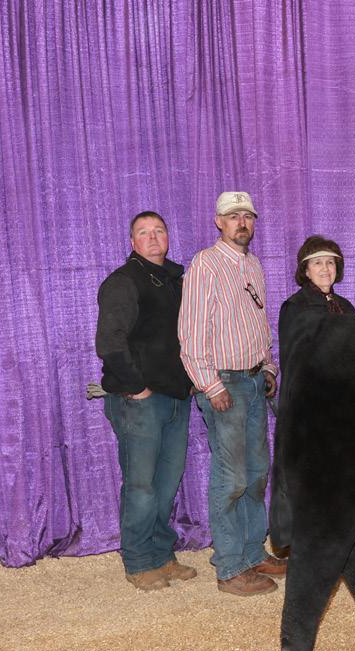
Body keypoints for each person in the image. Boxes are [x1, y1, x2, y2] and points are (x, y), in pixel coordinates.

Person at [178, 192, 286, 596]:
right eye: (233, 216)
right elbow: (191, 332)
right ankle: (229, 567)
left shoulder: (253, 265)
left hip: (254, 380)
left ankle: (252, 551)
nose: (242, 222)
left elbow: (260, 323)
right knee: (232, 476)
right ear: (218, 222)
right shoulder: (205, 264)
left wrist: (269, 366)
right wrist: (210, 384)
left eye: (247, 216)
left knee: (256, 473)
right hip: (225, 382)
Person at [96, 211, 197, 591]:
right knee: (141, 485)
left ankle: (160, 553)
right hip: (139, 401)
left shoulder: (174, 281)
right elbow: (109, 341)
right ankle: (138, 561)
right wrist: (136, 387)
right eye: (144, 232)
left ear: (168, 237)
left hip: (175, 397)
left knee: (166, 483)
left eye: (159, 230)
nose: (153, 237)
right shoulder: (124, 281)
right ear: (132, 241)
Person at [270, 236, 355, 551]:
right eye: (317, 262)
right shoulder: (295, 307)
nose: (325, 268)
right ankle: (308, 544)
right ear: (305, 270)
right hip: (312, 405)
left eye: (330, 262)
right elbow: (295, 360)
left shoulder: (345, 307)